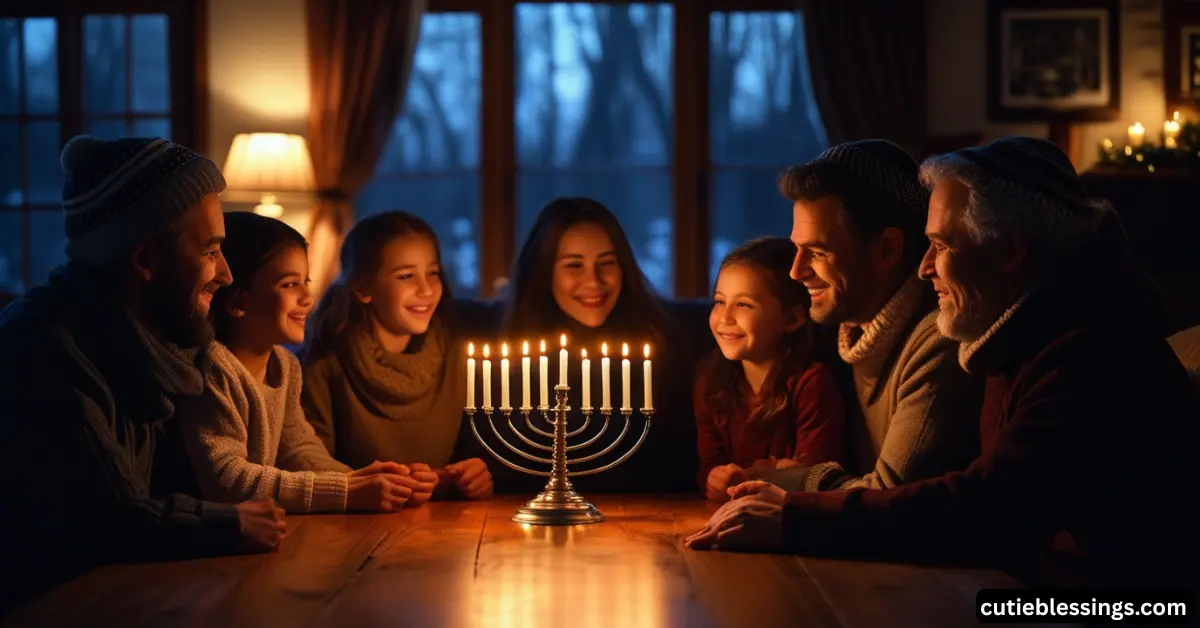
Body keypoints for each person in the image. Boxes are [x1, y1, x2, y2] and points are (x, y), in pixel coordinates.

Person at [686, 137, 1200, 590]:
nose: (925, 266)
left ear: (1008, 253)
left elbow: (987, 509)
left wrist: (793, 514)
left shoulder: (1088, 356)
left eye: (941, 245)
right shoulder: (1016, 338)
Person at [0, 136, 286, 612]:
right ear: (146, 260)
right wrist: (230, 522)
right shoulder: (45, 349)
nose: (227, 273)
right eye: (211, 251)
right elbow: (107, 518)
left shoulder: (147, 344)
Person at [754, 139, 981, 494]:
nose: (796, 271)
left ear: (886, 249)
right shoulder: (834, 328)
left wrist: (791, 481)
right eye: (797, 249)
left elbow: (888, 499)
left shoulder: (937, 343)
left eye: (817, 251)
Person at [170, 212, 430, 513]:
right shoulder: (212, 368)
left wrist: (365, 480)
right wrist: (345, 491)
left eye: (306, 282)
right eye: (290, 284)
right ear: (239, 301)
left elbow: (298, 448)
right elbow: (226, 480)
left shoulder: (284, 366)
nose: (308, 298)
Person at [501, 197, 698, 493]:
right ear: (543, 273)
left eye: (606, 263)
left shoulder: (662, 346)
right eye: (574, 266)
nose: (594, 281)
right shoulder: (513, 359)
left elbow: (685, 462)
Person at [302, 211, 492, 501]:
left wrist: (473, 474)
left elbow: (472, 452)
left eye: (433, 273)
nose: (426, 290)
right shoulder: (324, 362)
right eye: (406, 276)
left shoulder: (457, 353)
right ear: (363, 288)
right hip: (355, 534)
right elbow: (310, 467)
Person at [696, 237, 845, 503]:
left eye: (744, 304)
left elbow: (815, 479)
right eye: (719, 301)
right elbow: (709, 465)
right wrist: (715, 479)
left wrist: (754, 476)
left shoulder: (812, 383)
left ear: (792, 319)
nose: (725, 317)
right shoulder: (711, 383)